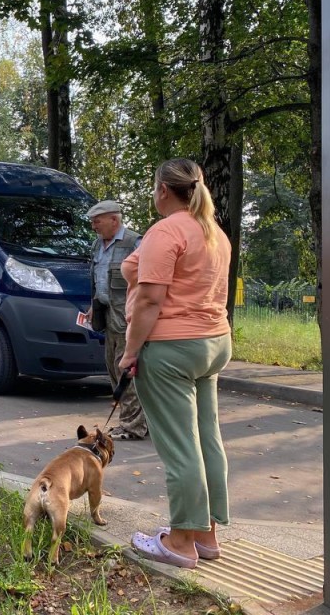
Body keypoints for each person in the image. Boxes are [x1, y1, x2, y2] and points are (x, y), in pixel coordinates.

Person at [118, 158, 232, 570]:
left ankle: (180, 541)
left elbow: (149, 300)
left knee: (181, 447)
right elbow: (135, 269)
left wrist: (130, 352)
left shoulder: (165, 230)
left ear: (163, 190)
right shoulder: (213, 232)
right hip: (214, 342)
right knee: (206, 438)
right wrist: (135, 263)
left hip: (172, 348)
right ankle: (207, 534)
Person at [87, 200, 145, 440]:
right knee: (113, 368)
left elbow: (146, 283)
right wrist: (93, 306)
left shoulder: (135, 242)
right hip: (108, 316)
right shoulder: (97, 245)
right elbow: (97, 278)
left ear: (114, 220)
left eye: (97, 221)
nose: (93, 226)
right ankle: (129, 420)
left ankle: (134, 427)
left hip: (129, 319)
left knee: (126, 371)